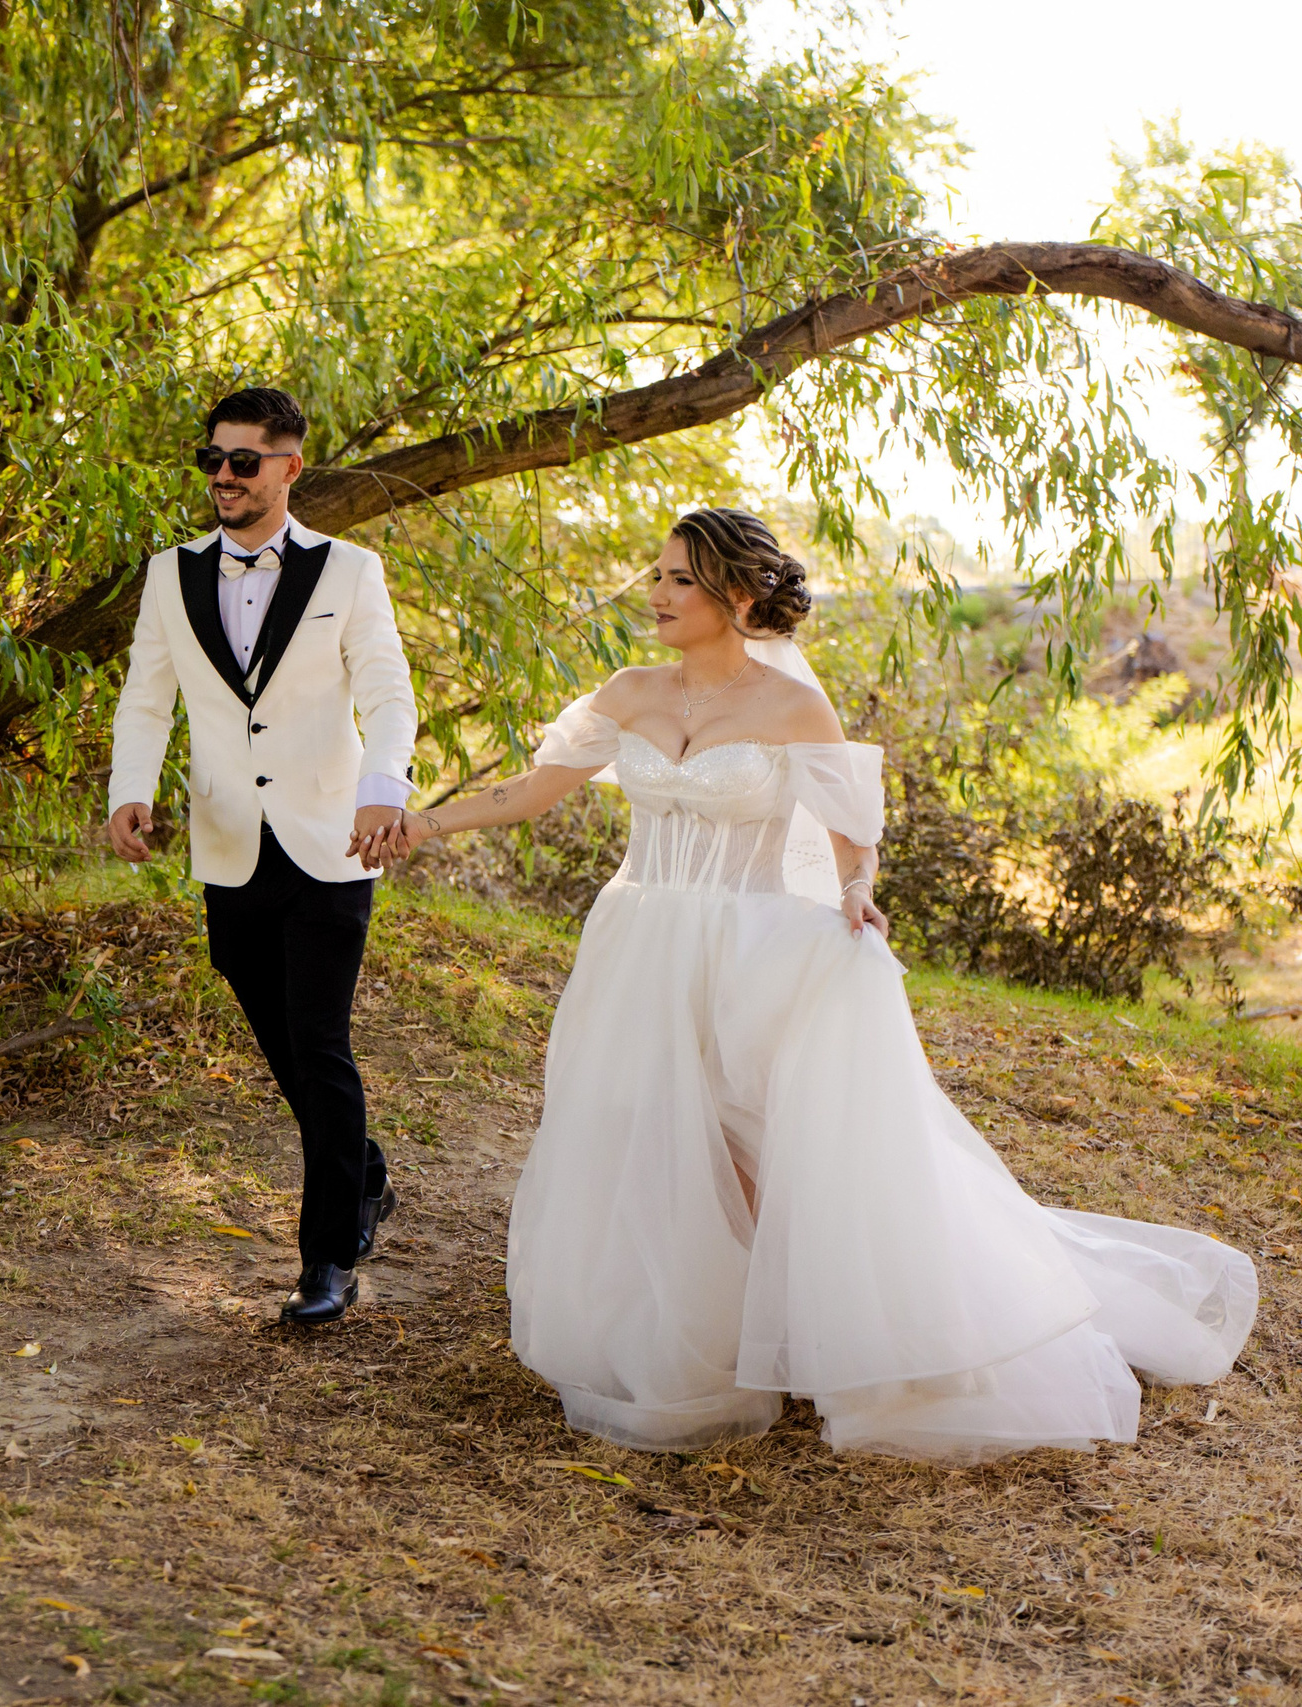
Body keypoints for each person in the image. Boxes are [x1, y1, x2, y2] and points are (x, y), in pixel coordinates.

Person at [390, 508, 1256, 1462]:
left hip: (751, 941)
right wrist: (419, 826)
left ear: (741, 595)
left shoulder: (792, 706)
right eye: (660, 576)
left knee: (756, 1135)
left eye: (682, 580)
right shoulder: (630, 691)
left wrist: (855, 893)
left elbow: (850, 825)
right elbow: (528, 790)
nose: (659, 595)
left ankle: (797, 1337)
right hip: (638, 938)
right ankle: (682, 1324)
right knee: (647, 1122)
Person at [106, 386, 419, 1325]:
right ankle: (360, 1170)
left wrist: (384, 791)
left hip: (332, 836)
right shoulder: (171, 574)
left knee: (320, 1040)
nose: (225, 478)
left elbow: (391, 693)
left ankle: (327, 1258)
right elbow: (145, 698)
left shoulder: (352, 571)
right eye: (213, 460)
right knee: (280, 1034)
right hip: (228, 839)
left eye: (244, 461)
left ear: (289, 465)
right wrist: (132, 788)